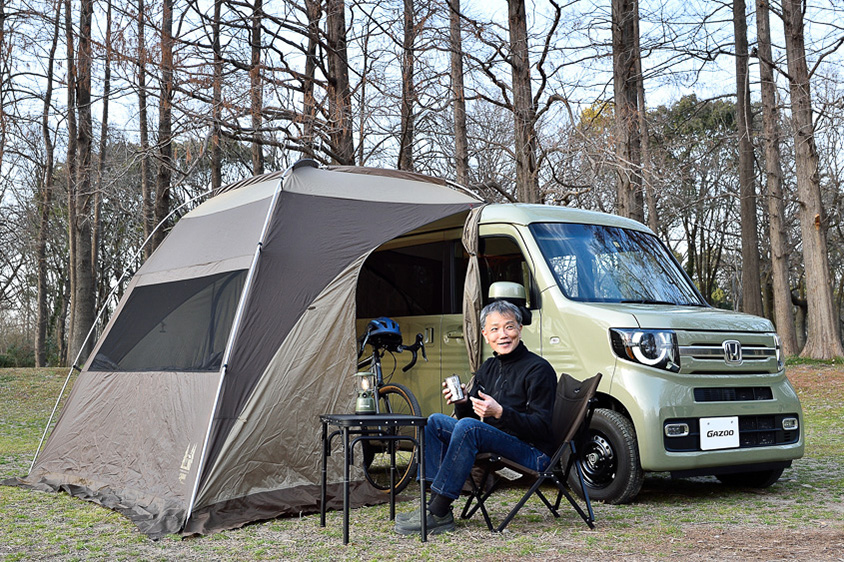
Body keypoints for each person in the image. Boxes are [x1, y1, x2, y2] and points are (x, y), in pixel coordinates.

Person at [394, 299, 557, 535]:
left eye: (509, 327)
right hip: (497, 443)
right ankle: (431, 505)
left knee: (470, 428)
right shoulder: (488, 367)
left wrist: (500, 412)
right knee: (435, 421)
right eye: (494, 329)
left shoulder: (538, 369)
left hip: (532, 453)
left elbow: (542, 427)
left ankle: (438, 512)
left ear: (520, 329)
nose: (503, 334)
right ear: (484, 334)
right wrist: (461, 402)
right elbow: (467, 418)